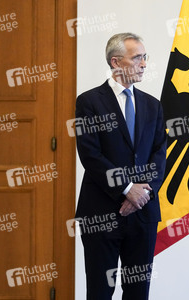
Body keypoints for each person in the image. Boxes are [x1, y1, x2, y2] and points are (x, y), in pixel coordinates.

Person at [75, 32, 167, 300]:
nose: (144, 64)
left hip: (143, 212)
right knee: (100, 291)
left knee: (138, 292)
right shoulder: (89, 102)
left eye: (144, 57)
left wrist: (143, 194)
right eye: (137, 57)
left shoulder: (153, 105)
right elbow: (91, 155)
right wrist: (127, 189)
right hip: (101, 212)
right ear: (116, 63)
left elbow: (159, 154)